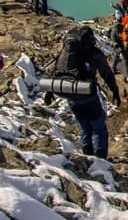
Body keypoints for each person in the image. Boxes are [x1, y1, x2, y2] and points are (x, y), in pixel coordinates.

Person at [43, 27, 120, 159]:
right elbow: (106, 73)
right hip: (88, 95)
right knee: (98, 127)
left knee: (85, 127)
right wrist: (115, 91)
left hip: (71, 96)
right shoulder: (93, 53)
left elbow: (55, 71)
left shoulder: (66, 52)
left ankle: (87, 156)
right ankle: (100, 160)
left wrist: (49, 93)